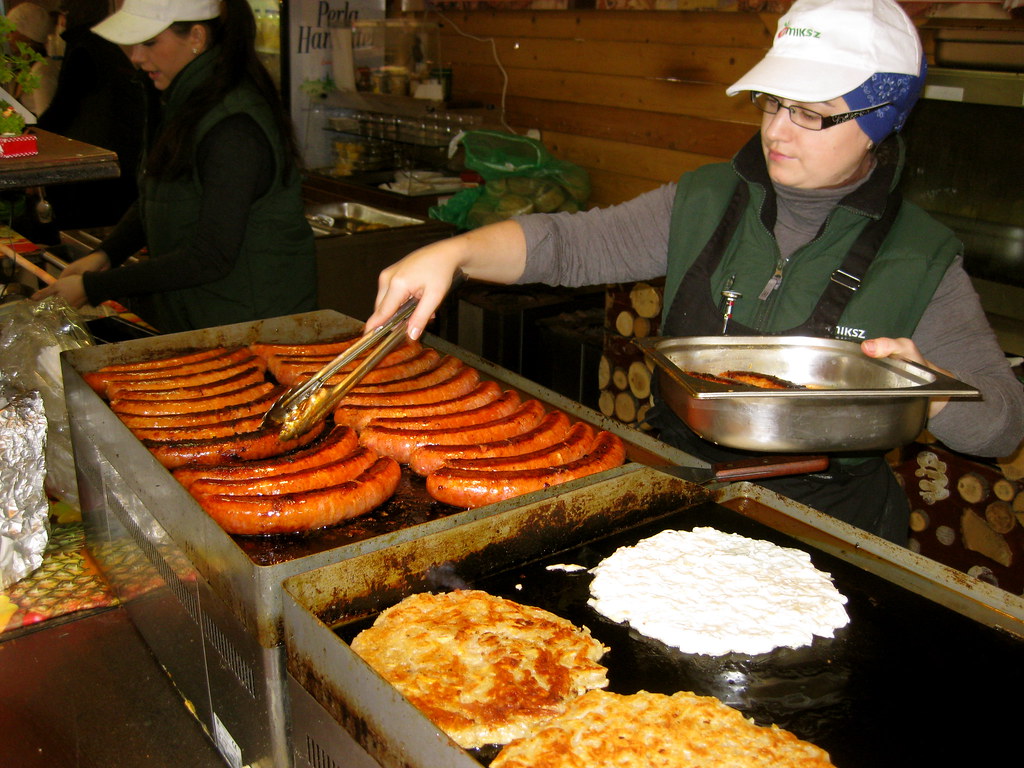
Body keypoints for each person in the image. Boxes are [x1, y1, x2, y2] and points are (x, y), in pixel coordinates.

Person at [364, 0, 1024, 545]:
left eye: (811, 114)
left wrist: (926, 390)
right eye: (771, 103)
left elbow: (1001, 425)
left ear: (879, 124)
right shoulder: (707, 198)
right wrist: (455, 253)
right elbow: (574, 245)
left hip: (832, 531)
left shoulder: (922, 257)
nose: (777, 132)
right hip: (681, 500)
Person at [32, 0, 316, 333]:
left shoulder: (233, 125)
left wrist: (94, 286)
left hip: (257, 326)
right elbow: (160, 193)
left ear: (196, 36)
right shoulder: (189, 99)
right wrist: (107, 254)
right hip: (212, 317)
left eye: (150, 42)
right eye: (134, 43)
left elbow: (210, 256)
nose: (137, 56)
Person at [33, 0, 154, 231]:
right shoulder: (106, 47)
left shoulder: (85, 46)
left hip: (95, 166)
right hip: (124, 161)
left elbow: (63, 108)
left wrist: (32, 137)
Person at [4, 0, 59, 116]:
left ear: (27, 36)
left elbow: (47, 121)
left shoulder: (41, 70)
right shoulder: (29, 68)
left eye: (13, 31)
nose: (8, 38)